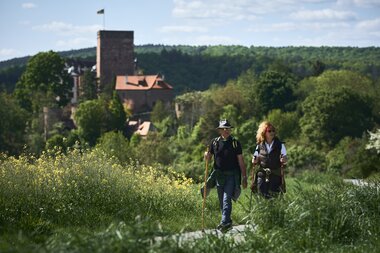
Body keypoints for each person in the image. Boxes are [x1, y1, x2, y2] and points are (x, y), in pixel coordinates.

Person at [204, 119, 247, 232]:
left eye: (228, 129)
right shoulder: (214, 142)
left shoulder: (235, 143)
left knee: (227, 199)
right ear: (220, 130)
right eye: (224, 129)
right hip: (219, 175)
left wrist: (244, 177)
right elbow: (209, 157)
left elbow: (241, 161)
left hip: (232, 175)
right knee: (221, 200)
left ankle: (223, 222)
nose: (226, 130)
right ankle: (227, 222)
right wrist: (206, 155)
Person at [251, 121, 287, 198]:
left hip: (275, 176)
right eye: (269, 131)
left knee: (274, 198)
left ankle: (274, 211)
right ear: (264, 132)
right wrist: (255, 160)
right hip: (262, 176)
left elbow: (285, 158)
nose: (272, 132)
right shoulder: (259, 145)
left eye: (273, 130)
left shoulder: (280, 145)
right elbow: (255, 158)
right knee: (261, 197)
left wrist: (284, 159)